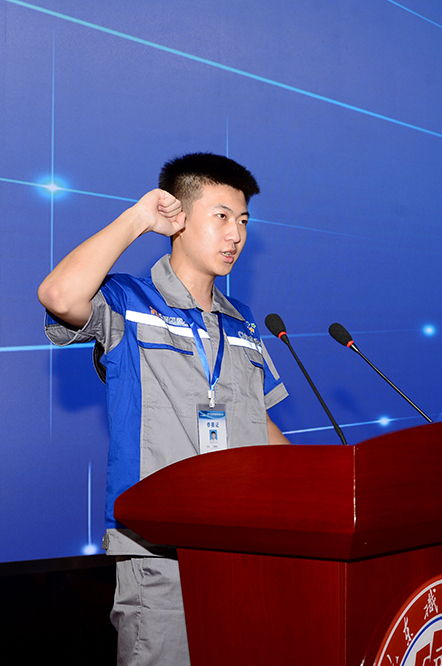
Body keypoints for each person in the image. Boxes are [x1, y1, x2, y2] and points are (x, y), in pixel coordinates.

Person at [38, 152, 290, 666]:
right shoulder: (128, 302)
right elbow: (59, 295)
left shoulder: (242, 324)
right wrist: (137, 219)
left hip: (242, 544)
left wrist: (322, 487)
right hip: (159, 547)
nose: (236, 235)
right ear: (178, 218)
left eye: (244, 220)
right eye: (221, 216)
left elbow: (258, 422)